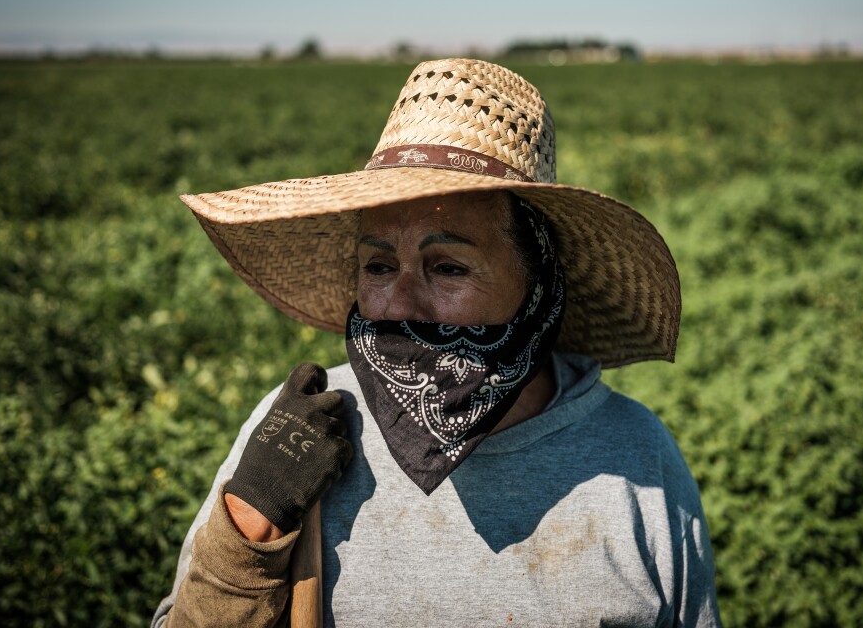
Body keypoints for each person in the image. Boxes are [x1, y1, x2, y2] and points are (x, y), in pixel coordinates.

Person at [152, 58, 721, 627]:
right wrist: (249, 530)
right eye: (378, 266)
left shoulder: (633, 456)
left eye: (447, 268)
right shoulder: (304, 431)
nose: (399, 304)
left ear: (538, 282)